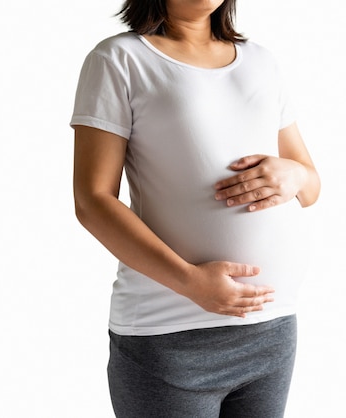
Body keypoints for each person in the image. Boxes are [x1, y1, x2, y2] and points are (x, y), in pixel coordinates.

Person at [70, 0, 320, 417]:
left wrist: (294, 175)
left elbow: (310, 185)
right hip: (167, 334)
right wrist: (189, 281)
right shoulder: (119, 59)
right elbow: (92, 201)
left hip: (272, 328)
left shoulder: (261, 61)